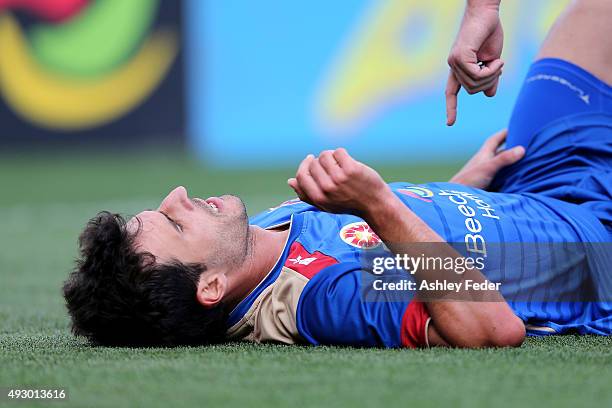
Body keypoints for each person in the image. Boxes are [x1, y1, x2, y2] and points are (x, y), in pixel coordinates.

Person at [63, 0, 611, 348]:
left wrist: (461, 182)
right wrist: (378, 201)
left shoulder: (261, 235)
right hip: (586, 251)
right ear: (211, 287)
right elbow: (493, 330)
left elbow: (400, 246)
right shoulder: (317, 298)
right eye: (174, 223)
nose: (178, 194)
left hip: (536, 184)